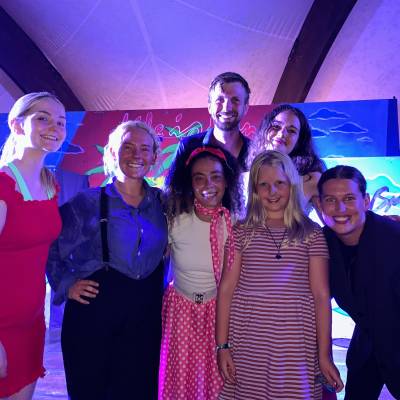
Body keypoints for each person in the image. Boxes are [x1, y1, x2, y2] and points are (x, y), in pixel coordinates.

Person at [46, 120, 168, 400]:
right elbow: (50, 245)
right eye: (127, 147)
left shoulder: (163, 203)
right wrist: (67, 283)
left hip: (144, 317)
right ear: (113, 152)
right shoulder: (87, 202)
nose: (136, 155)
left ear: (154, 157)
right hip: (94, 316)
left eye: (144, 149)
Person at [216, 150, 343, 399]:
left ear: (291, 185)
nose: (272, 191)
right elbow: (226, 290)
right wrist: (222, 346)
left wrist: (324, 354)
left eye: (279, 183)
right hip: (249, 341)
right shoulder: (241, 232)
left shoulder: (312, 233)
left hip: (295, 343)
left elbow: (321, 296)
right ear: (254, 189)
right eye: (263, 184)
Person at [159, 146, 242, 400]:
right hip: (180, 311)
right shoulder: (175, 220)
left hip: (220, 312)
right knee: (179, 381)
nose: (208, 185)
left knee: (219, 384)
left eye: (216, 177)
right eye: (199, 178)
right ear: (190, 183)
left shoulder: (236, 224)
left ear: (226, 182)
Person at [0, 92, 66, 399]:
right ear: (16, 125)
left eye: (61, 122)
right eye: (42, 118)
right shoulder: (3, 186)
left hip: (31, 323)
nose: (54, 127)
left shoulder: (50, 185)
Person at [317, 165, 400, 400]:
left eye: (349, 198)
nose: (340, 208)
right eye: (330, 200)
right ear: (320, 205)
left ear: (366, 201)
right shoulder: (321, 243)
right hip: (367, 344)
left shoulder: (394, 239)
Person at [168, 72, 251, 176]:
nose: (227, 108)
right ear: (209, 107)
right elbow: (171, 186)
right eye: (219, 100)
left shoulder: (256, 151)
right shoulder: (187, 147)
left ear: (245, 108)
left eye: (235, 100)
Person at [248, 104, 325, 205]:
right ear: (264, 130)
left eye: (291, 131)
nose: (281, 134)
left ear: (299, 141)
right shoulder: (245, 176)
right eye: (276, 127)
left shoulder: (310, 179)